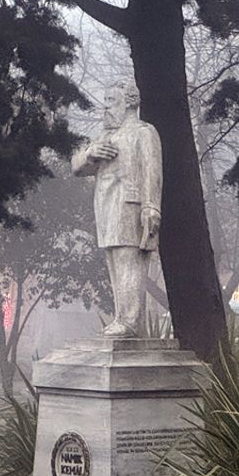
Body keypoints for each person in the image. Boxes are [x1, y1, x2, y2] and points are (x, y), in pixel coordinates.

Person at [70, 80, 162, 338]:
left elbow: (152, 171)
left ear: (130, 102)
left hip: (131, 207)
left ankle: (130, 321)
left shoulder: (143, 132)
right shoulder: (104, 138)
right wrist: (90, 154)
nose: (105, 108)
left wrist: (152, 207)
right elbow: (76, 167)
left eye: (111, 101)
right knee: (114, 264)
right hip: (107, 209)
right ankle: (123, 317)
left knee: (128, 263)